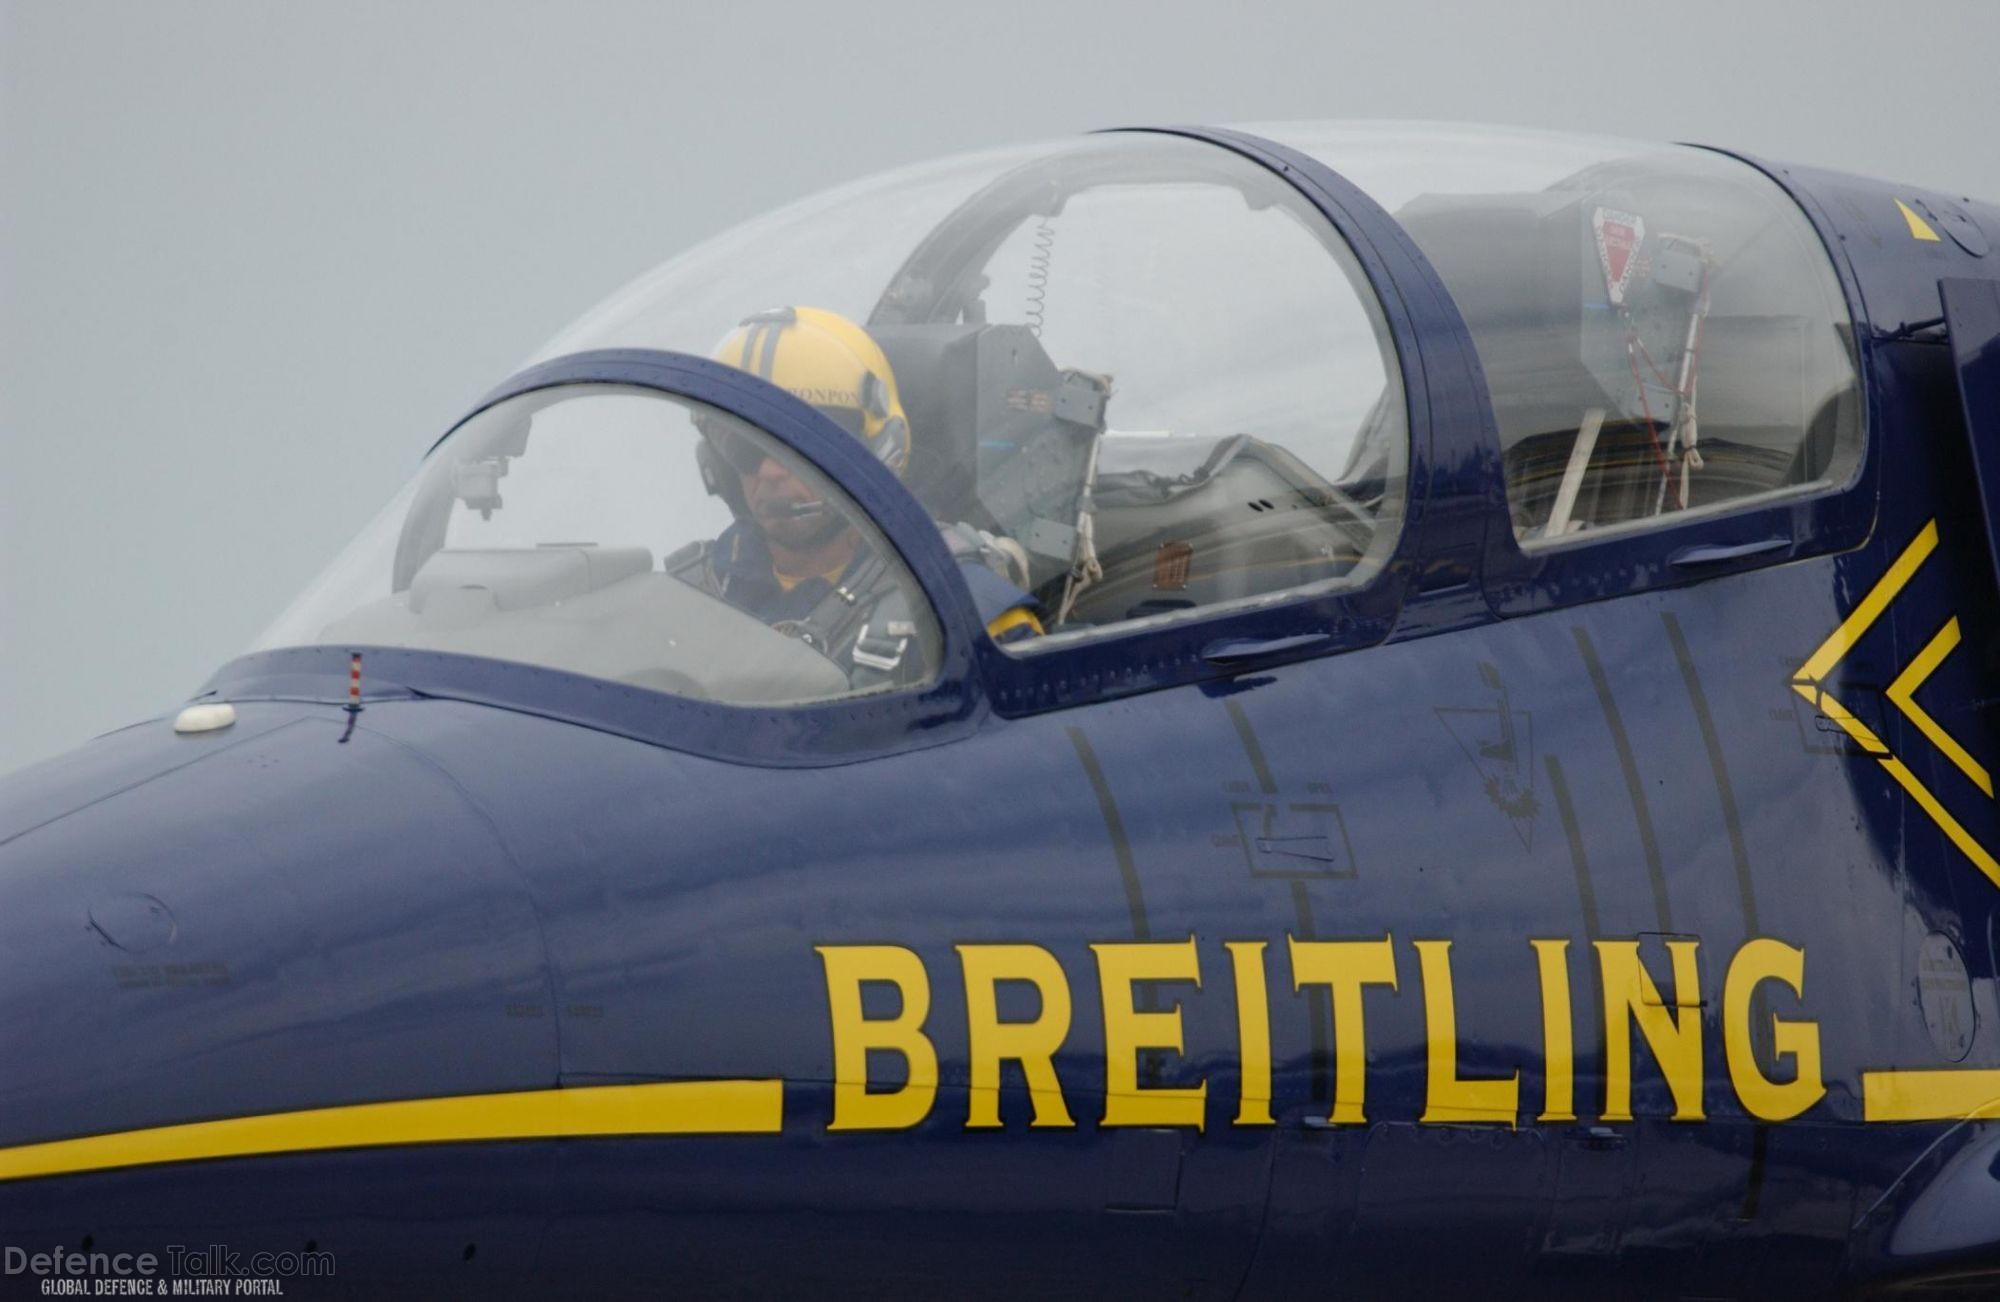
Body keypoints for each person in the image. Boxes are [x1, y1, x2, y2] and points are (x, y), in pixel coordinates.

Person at [669, 306, 1042, 686]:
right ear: (718, 464)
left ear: (874, 449)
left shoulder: (965, 611)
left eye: (800, 443)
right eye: (743, 446)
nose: (771, 471)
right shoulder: (681, 597)